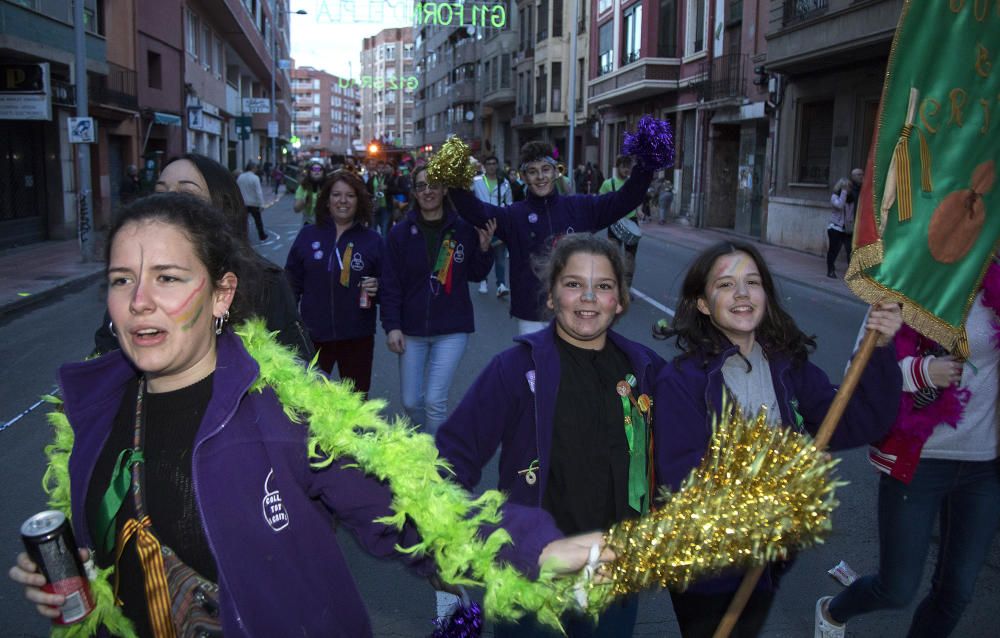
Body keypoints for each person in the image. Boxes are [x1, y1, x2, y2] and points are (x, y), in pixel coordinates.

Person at [9, 192, 609, 636]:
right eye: (122, 279)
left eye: (168, 278)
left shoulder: (289, 409)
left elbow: (419, 514)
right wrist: (81, 575)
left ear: (221, 295)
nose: (139, 301)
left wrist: (538, 551)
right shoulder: (94, 408)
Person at [653, 240, 904, 637]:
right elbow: (684, 481)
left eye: (752, 282)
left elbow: (854, 420)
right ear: (702, 304)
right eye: (724, 285)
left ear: (765, 294)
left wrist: (882, 350)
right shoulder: (682, 381)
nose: (741, 293)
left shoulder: (786, 365)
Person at [437, 234, 665, 636]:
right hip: (531, 573)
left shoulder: (646, 370)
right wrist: (444, 536)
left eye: (604, 286)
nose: (589, 298)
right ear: (550, 297)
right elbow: (452, 454)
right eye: (574, 284)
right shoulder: (515, 369)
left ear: (621, 301)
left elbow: (684, 445)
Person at [814, 256, 1000, 638]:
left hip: (984, 464)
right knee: (896, 589)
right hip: (919, 462)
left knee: (957, 592)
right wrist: (922, 372)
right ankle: (834, 610)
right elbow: (858, 373)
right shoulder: (905, 285)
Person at [92, 153, 311, 358]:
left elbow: (300, 373)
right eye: (161, 193)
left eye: (186, 194)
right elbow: (102, 359)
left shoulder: (266, 282)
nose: (169, 203)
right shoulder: (133, 278)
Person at [449, 140, 654, 334]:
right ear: (524, 177)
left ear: (556, 172)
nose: (540, 177)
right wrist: (453, 178)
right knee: (538, 370)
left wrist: (646, 164)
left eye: (546, 169)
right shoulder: (513, 216)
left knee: (575, 371)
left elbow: (625, 199)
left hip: (578, 310)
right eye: (532, 171)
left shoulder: (581, 208)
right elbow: (474, 210)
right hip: (532, 316)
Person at [381, 165, 495, 433]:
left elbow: (476, 274)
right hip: (411, 329)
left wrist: (484, 249)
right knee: (410, 402)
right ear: (414, 192)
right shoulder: (399, 233)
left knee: (434, 401)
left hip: (452, 328)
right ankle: (424, 442)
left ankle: (433, 464)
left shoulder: (463, 229)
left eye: (434, 185)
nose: (428, 191)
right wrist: (392, 326)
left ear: (445, 190)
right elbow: (390, 284)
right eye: (421, 186)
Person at [285, 171, 382, 396]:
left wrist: (380, 286)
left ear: (359, 201)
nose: (343, 201)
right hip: (314, 335)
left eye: (350, 195)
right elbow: (291, 283)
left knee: (356, 402)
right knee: (310, 404)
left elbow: (391, 286)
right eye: (336, 194)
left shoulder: (373, 241)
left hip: (357, 336)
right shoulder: (307, 235)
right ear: (326, 200)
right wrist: (289, 325)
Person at [600, 155, 644, 289]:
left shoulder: (632, 183)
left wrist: (639, 210)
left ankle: (626, 289)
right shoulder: (608, 184)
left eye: (629, 166)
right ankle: (612, 285)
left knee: (630, 258)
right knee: (613, 256)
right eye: (624, 166)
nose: (626, 169)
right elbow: (601, 202)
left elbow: (638, 199)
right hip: (614, 222)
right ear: (618, 166)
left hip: (631, 220)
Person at [472, 154, 513, 298]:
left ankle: (501, 284)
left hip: (498, 223)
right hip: (482, 223)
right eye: (488, 163)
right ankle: (483, 280)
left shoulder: (505, 183)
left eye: (494, 163)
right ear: (484, 166)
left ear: (497, 165)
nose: (491, 166)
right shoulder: (476, 181)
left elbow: (509, 204)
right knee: (483, 251)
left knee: (500, 255)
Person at [827, 168, 861, 278]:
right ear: (841, 187)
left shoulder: (851, 199)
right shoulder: (835, 197)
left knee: (850, 250)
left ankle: (852, 273)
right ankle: (830, 270)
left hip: (847, 229)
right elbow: (840, 205)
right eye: (846, 187)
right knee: (834, 251)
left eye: (849, 187)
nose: (849, 189)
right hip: (835, 228)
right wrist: (844, 193)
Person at [237, 160, 268, 241]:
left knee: (243, 220)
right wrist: (261, 204)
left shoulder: (240, 177)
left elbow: (237, 188)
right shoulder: (255, 178)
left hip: (243, 202)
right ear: (253, 168)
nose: (257, 170)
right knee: (258, 220)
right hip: (254, 203)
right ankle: (262, 235)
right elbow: (258, 192)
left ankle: (242, 236)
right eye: (256, 168)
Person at [293, 159, 325, 224]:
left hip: (326, 224)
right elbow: (296, 209)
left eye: (319, 169)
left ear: (323, 172)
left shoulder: (329, 186)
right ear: (309, 172)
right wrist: (304, 200)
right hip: (308, 224)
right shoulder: (303, 187)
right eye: (314, 169)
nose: (317, 171)